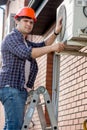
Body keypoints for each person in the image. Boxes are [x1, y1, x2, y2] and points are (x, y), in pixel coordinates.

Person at [0, 7, 65, 130]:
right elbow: (28, 53)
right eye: (26, 21)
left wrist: (56, 32)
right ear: (17, 21)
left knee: (11, 125)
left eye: (31, 22)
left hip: (17, 89)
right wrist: (53, 48)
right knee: (15, 126)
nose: (29, 24)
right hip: (11, 88)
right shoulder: (12, 38)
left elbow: (43, 45)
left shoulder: (24, 41)